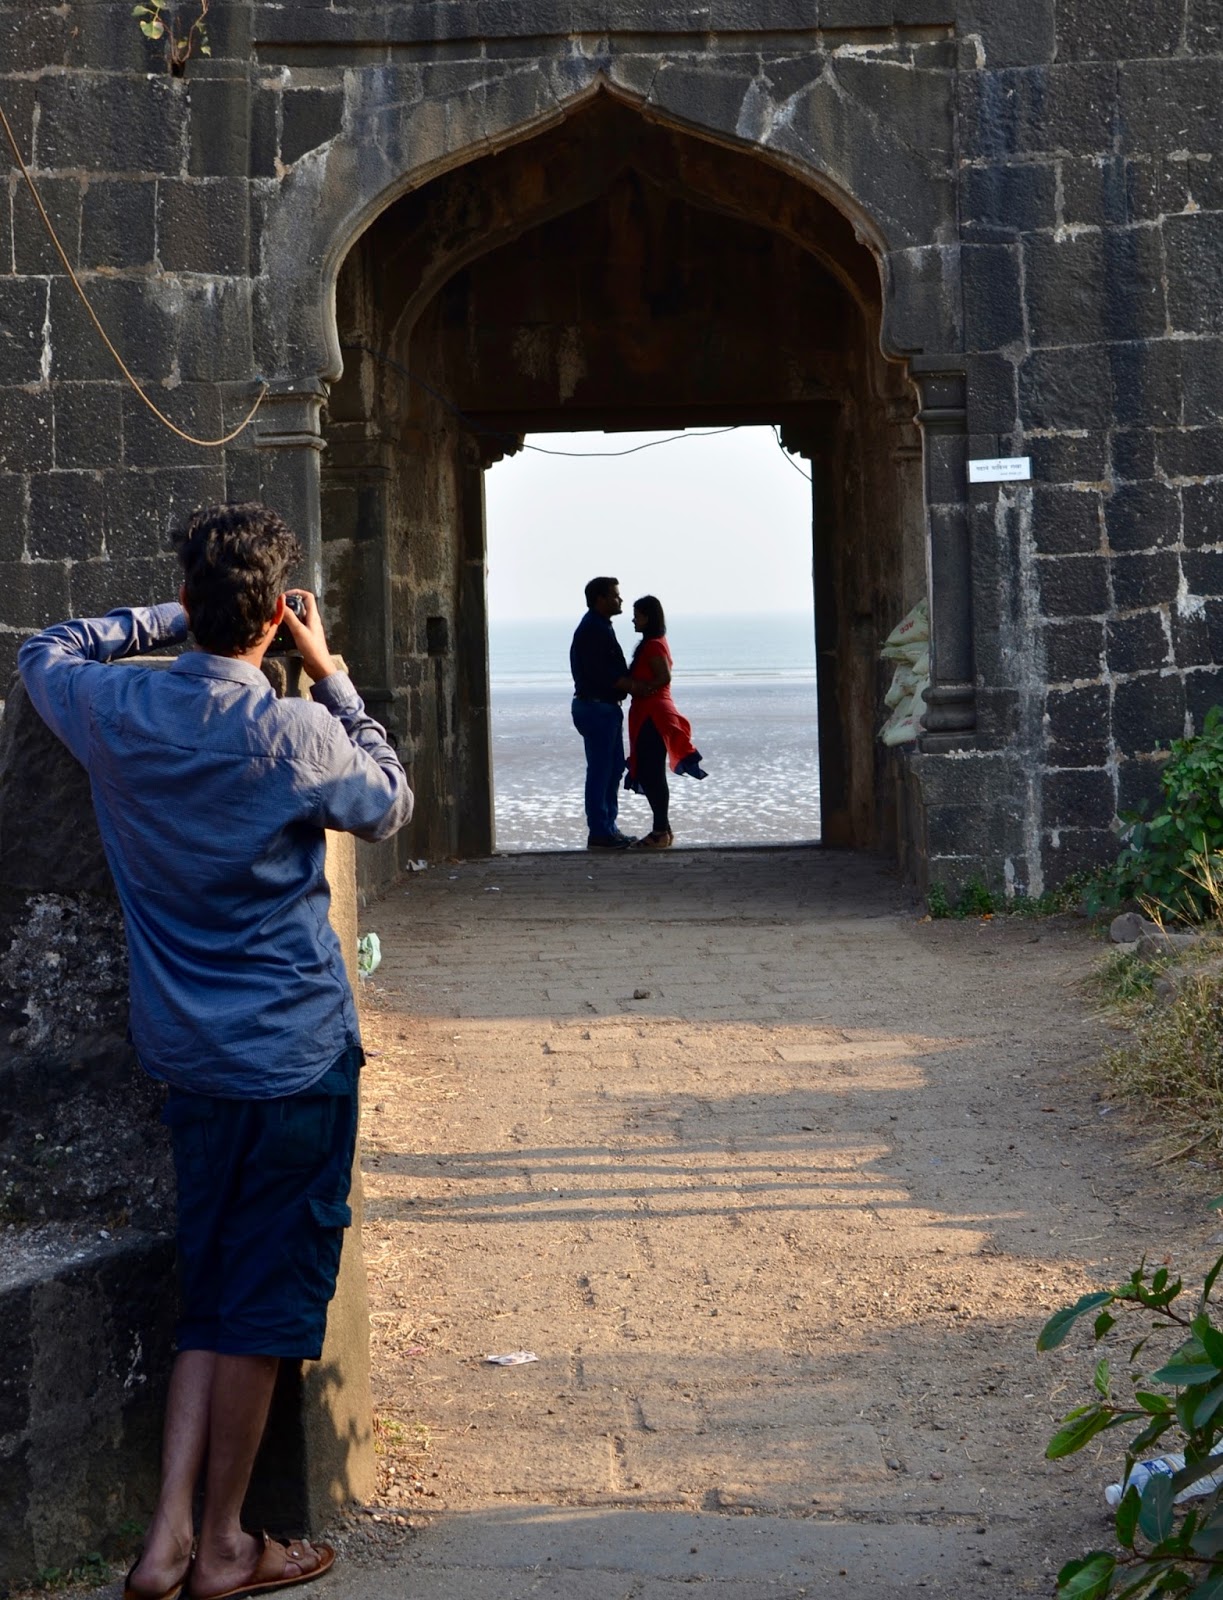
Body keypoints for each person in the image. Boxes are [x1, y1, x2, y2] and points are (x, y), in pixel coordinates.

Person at [18, 502, 414, 1600]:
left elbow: (44, 648)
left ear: (189, 602)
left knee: (210, 1291)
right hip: (292, 1057)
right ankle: (226, 1543)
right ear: (276, 616)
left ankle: (165, 1542)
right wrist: (330, 674)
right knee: (261, 1305)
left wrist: (163, 617)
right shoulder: (296, 733)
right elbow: (387, 802)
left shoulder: (115, 708)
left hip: (185, 1051)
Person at [624, 595, 707, 849]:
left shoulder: (653, 645)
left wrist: (642, 688)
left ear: (648, 617)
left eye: (637, 615)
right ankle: (664, 830)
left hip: (653, 714)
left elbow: (664, 676)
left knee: (652, 774)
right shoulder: (654, 643)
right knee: (652, 772)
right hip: (650, 713)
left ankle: (660, 831)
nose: (633, 620)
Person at [569, 576, 636, 849]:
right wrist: (639, 687)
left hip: (601, 707)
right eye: (615, 595)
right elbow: (604, 673)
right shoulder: (593, 629)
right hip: (596, 707)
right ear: (600, 599)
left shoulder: (599, 626)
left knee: (613, 768)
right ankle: (599, 831)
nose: (620, 600)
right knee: (601, 770)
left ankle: (608, 827)